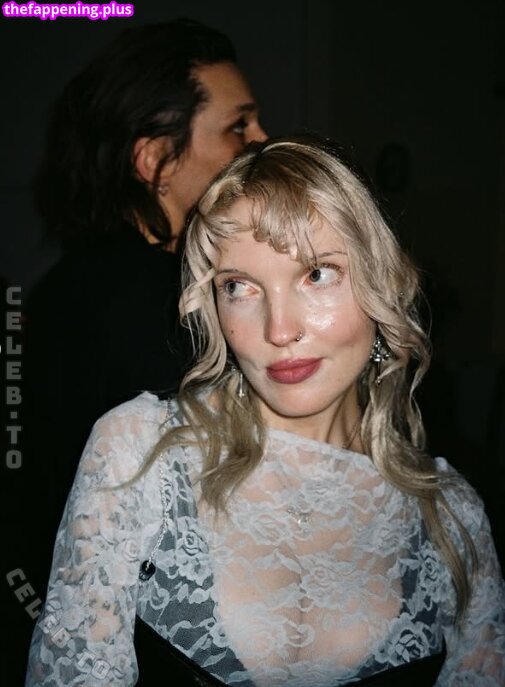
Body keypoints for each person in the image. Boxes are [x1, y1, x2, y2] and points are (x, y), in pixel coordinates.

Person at [26, 136, 505, 686]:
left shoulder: (452, 521)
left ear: (382, 282)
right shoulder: (138, 453)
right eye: (239, 287)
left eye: (317, 274)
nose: (279, 330)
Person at [16, 17, 266, 593]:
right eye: (238, 125)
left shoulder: (69, 283)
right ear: (156, 160)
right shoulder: (161, 301)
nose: (260, 138)